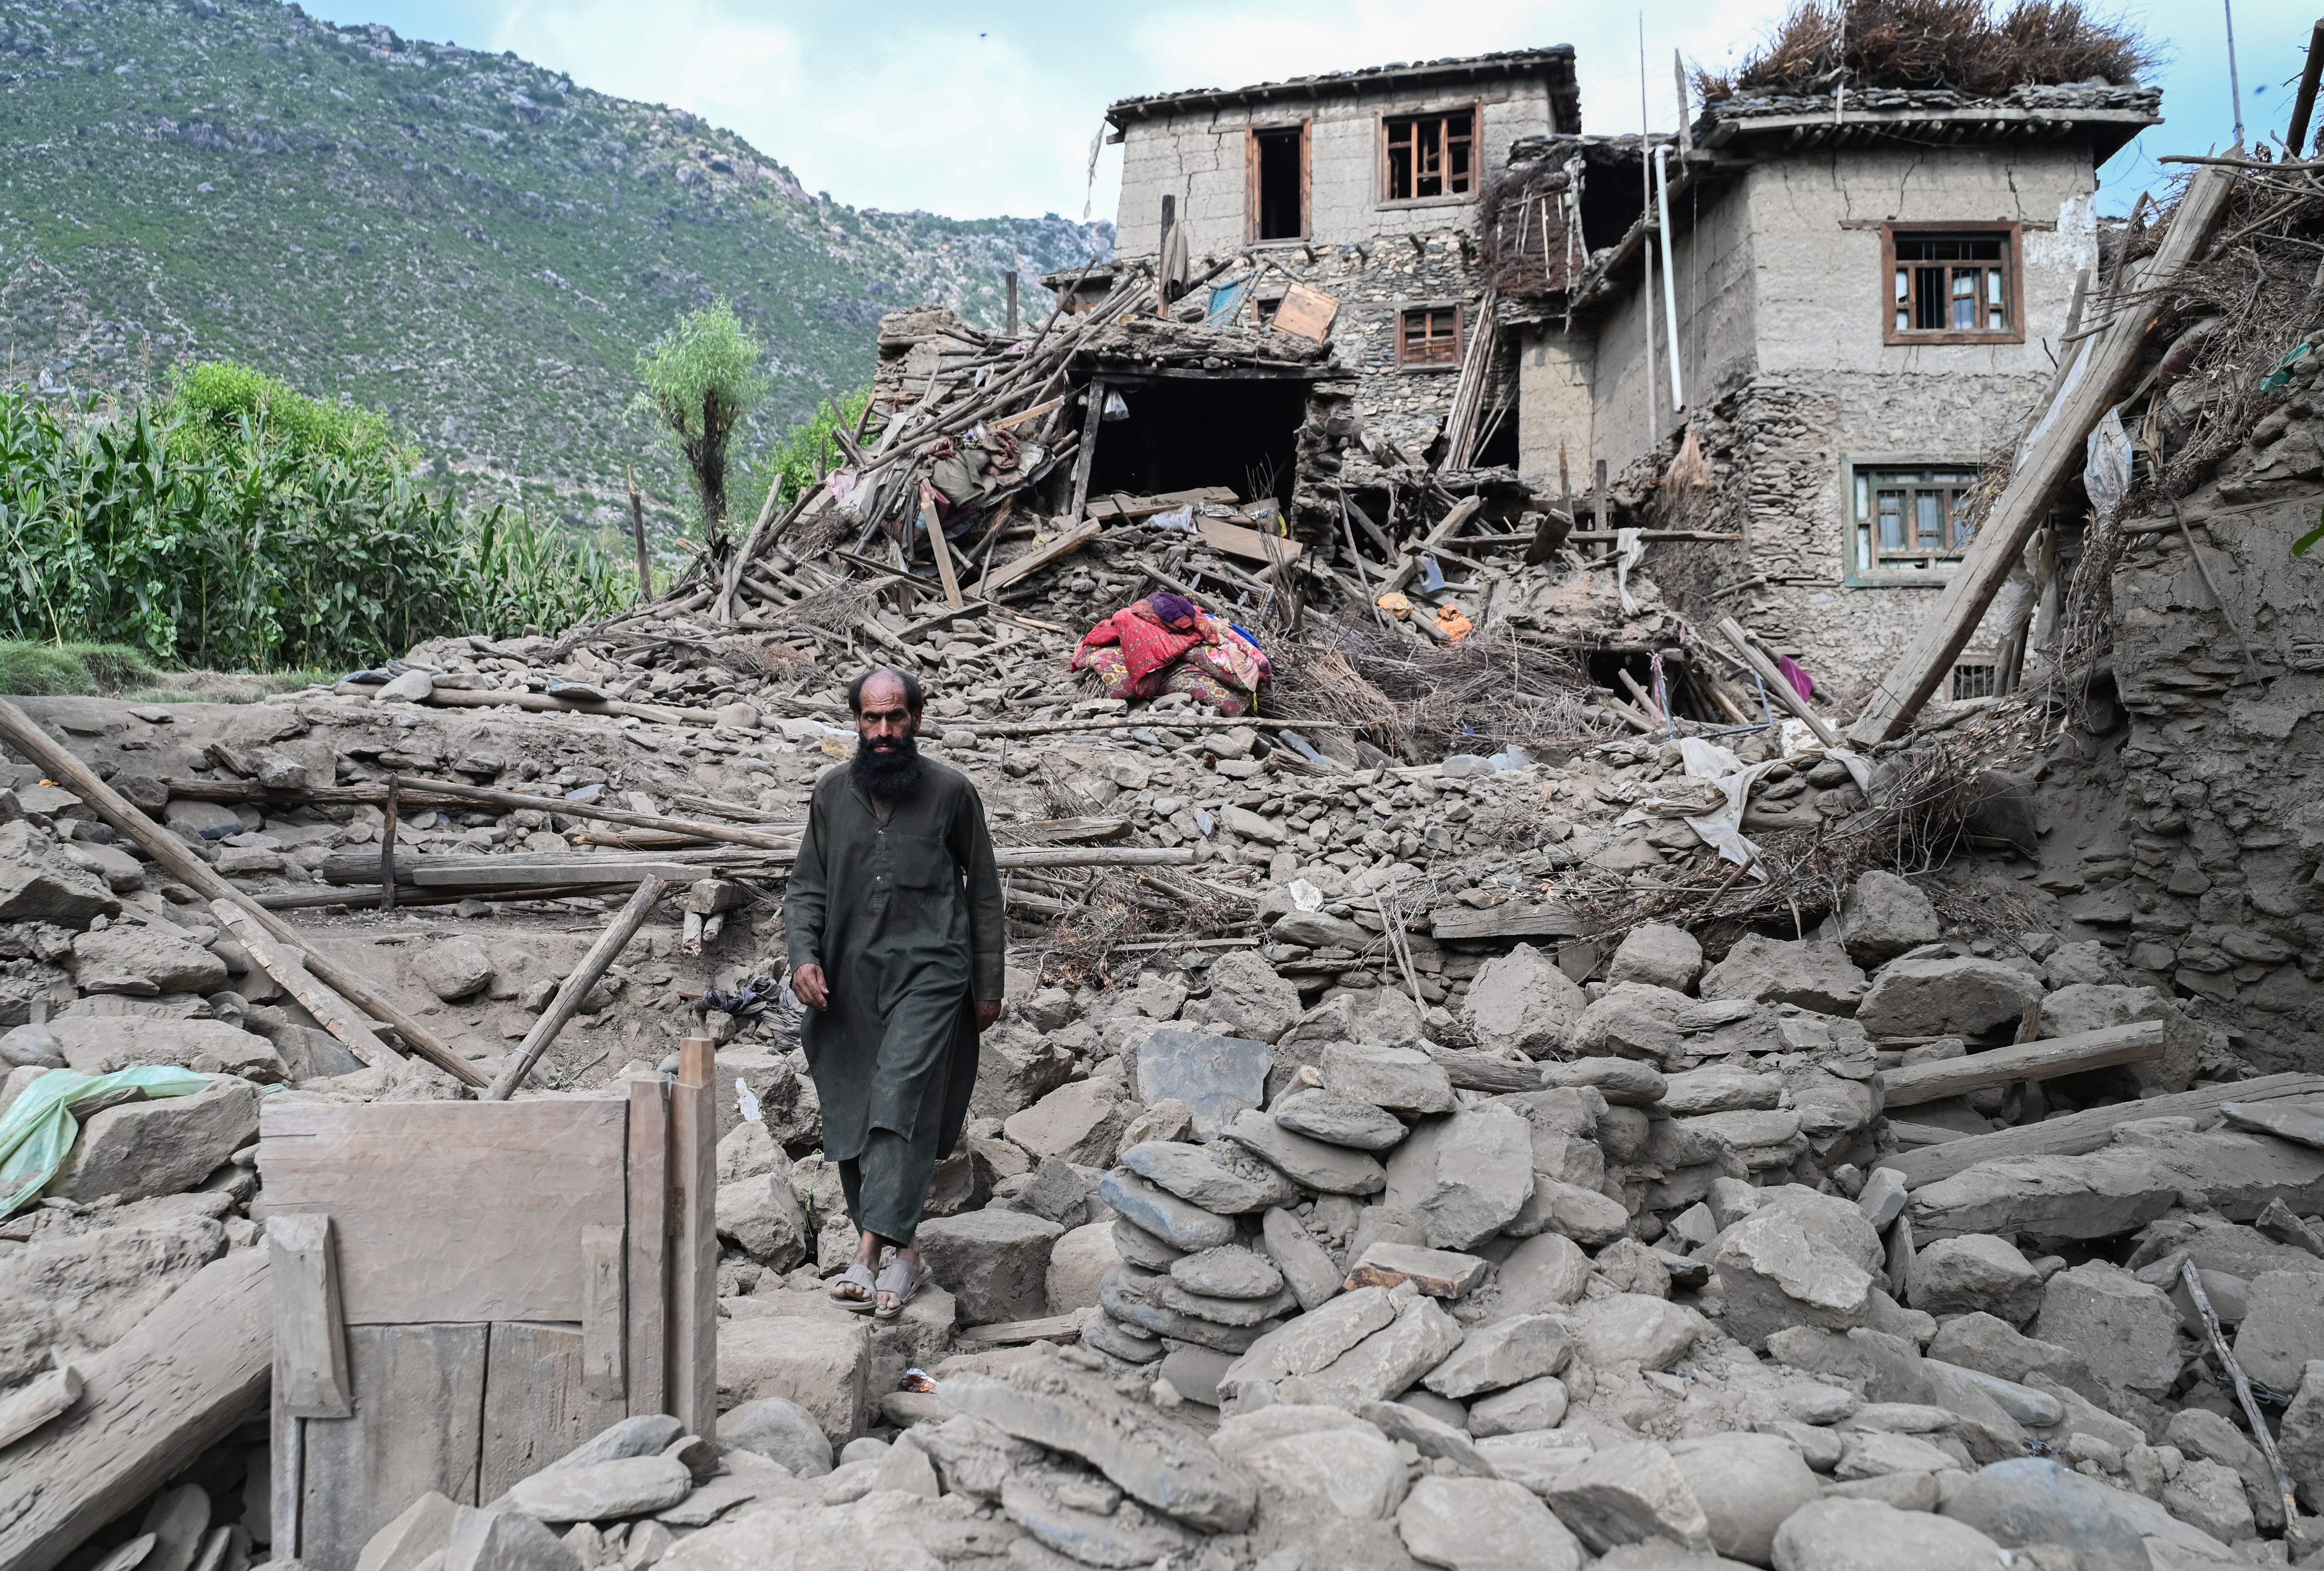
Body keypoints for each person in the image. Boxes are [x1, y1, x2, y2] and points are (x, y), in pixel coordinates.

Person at [784, 667, 1004, 1318]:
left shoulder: (952, 793)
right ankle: (907, 1253)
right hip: (850, 981)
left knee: (902, 1096)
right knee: (855, 1106)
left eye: (896, 718)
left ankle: (869, 1250)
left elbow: (984, 893)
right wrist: (803, 958)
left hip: (933, 973)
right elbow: (806, 889)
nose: (884, 732)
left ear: (917, 719)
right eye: (872, 719)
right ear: (856, 722)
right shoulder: (830, 795)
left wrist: (987, 983)